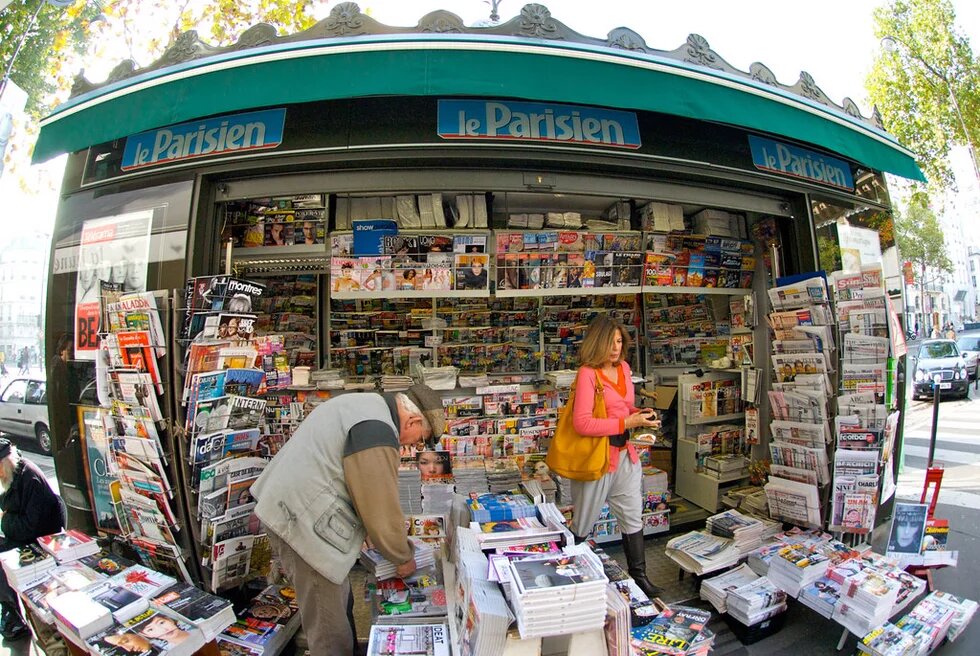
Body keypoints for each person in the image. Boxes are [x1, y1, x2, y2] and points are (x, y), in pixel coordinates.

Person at [250, 384, 447, 656]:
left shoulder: (366, 406)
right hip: (303, 525)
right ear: (412, 420)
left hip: (295, 510)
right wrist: (402, 556)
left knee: (338, 604)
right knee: (328, 624)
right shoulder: (377, 429)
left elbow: (354, 481)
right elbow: (381, 504)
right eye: (420, 439)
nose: (414, 446)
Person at [567, 315, 661, 597]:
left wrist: (639, 416)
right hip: (598, 459)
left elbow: (624, 408)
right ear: (597, 343)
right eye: (610, 342)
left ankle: (640, 577)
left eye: (619, 341)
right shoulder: (587, 374)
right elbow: (582, 423)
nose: (615, 348)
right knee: (583, 523)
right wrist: (626, 423)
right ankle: (568, 573)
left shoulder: (624, 369)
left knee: (633, 518)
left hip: (625, 456)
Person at [0, 438, 66, 639]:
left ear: (6, 464)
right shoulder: (11, 476)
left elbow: (30, 527)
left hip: (38, 539)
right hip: (20, 533)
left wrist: (4, 520)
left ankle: (13, 614)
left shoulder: (30, 479)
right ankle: (11, 611)